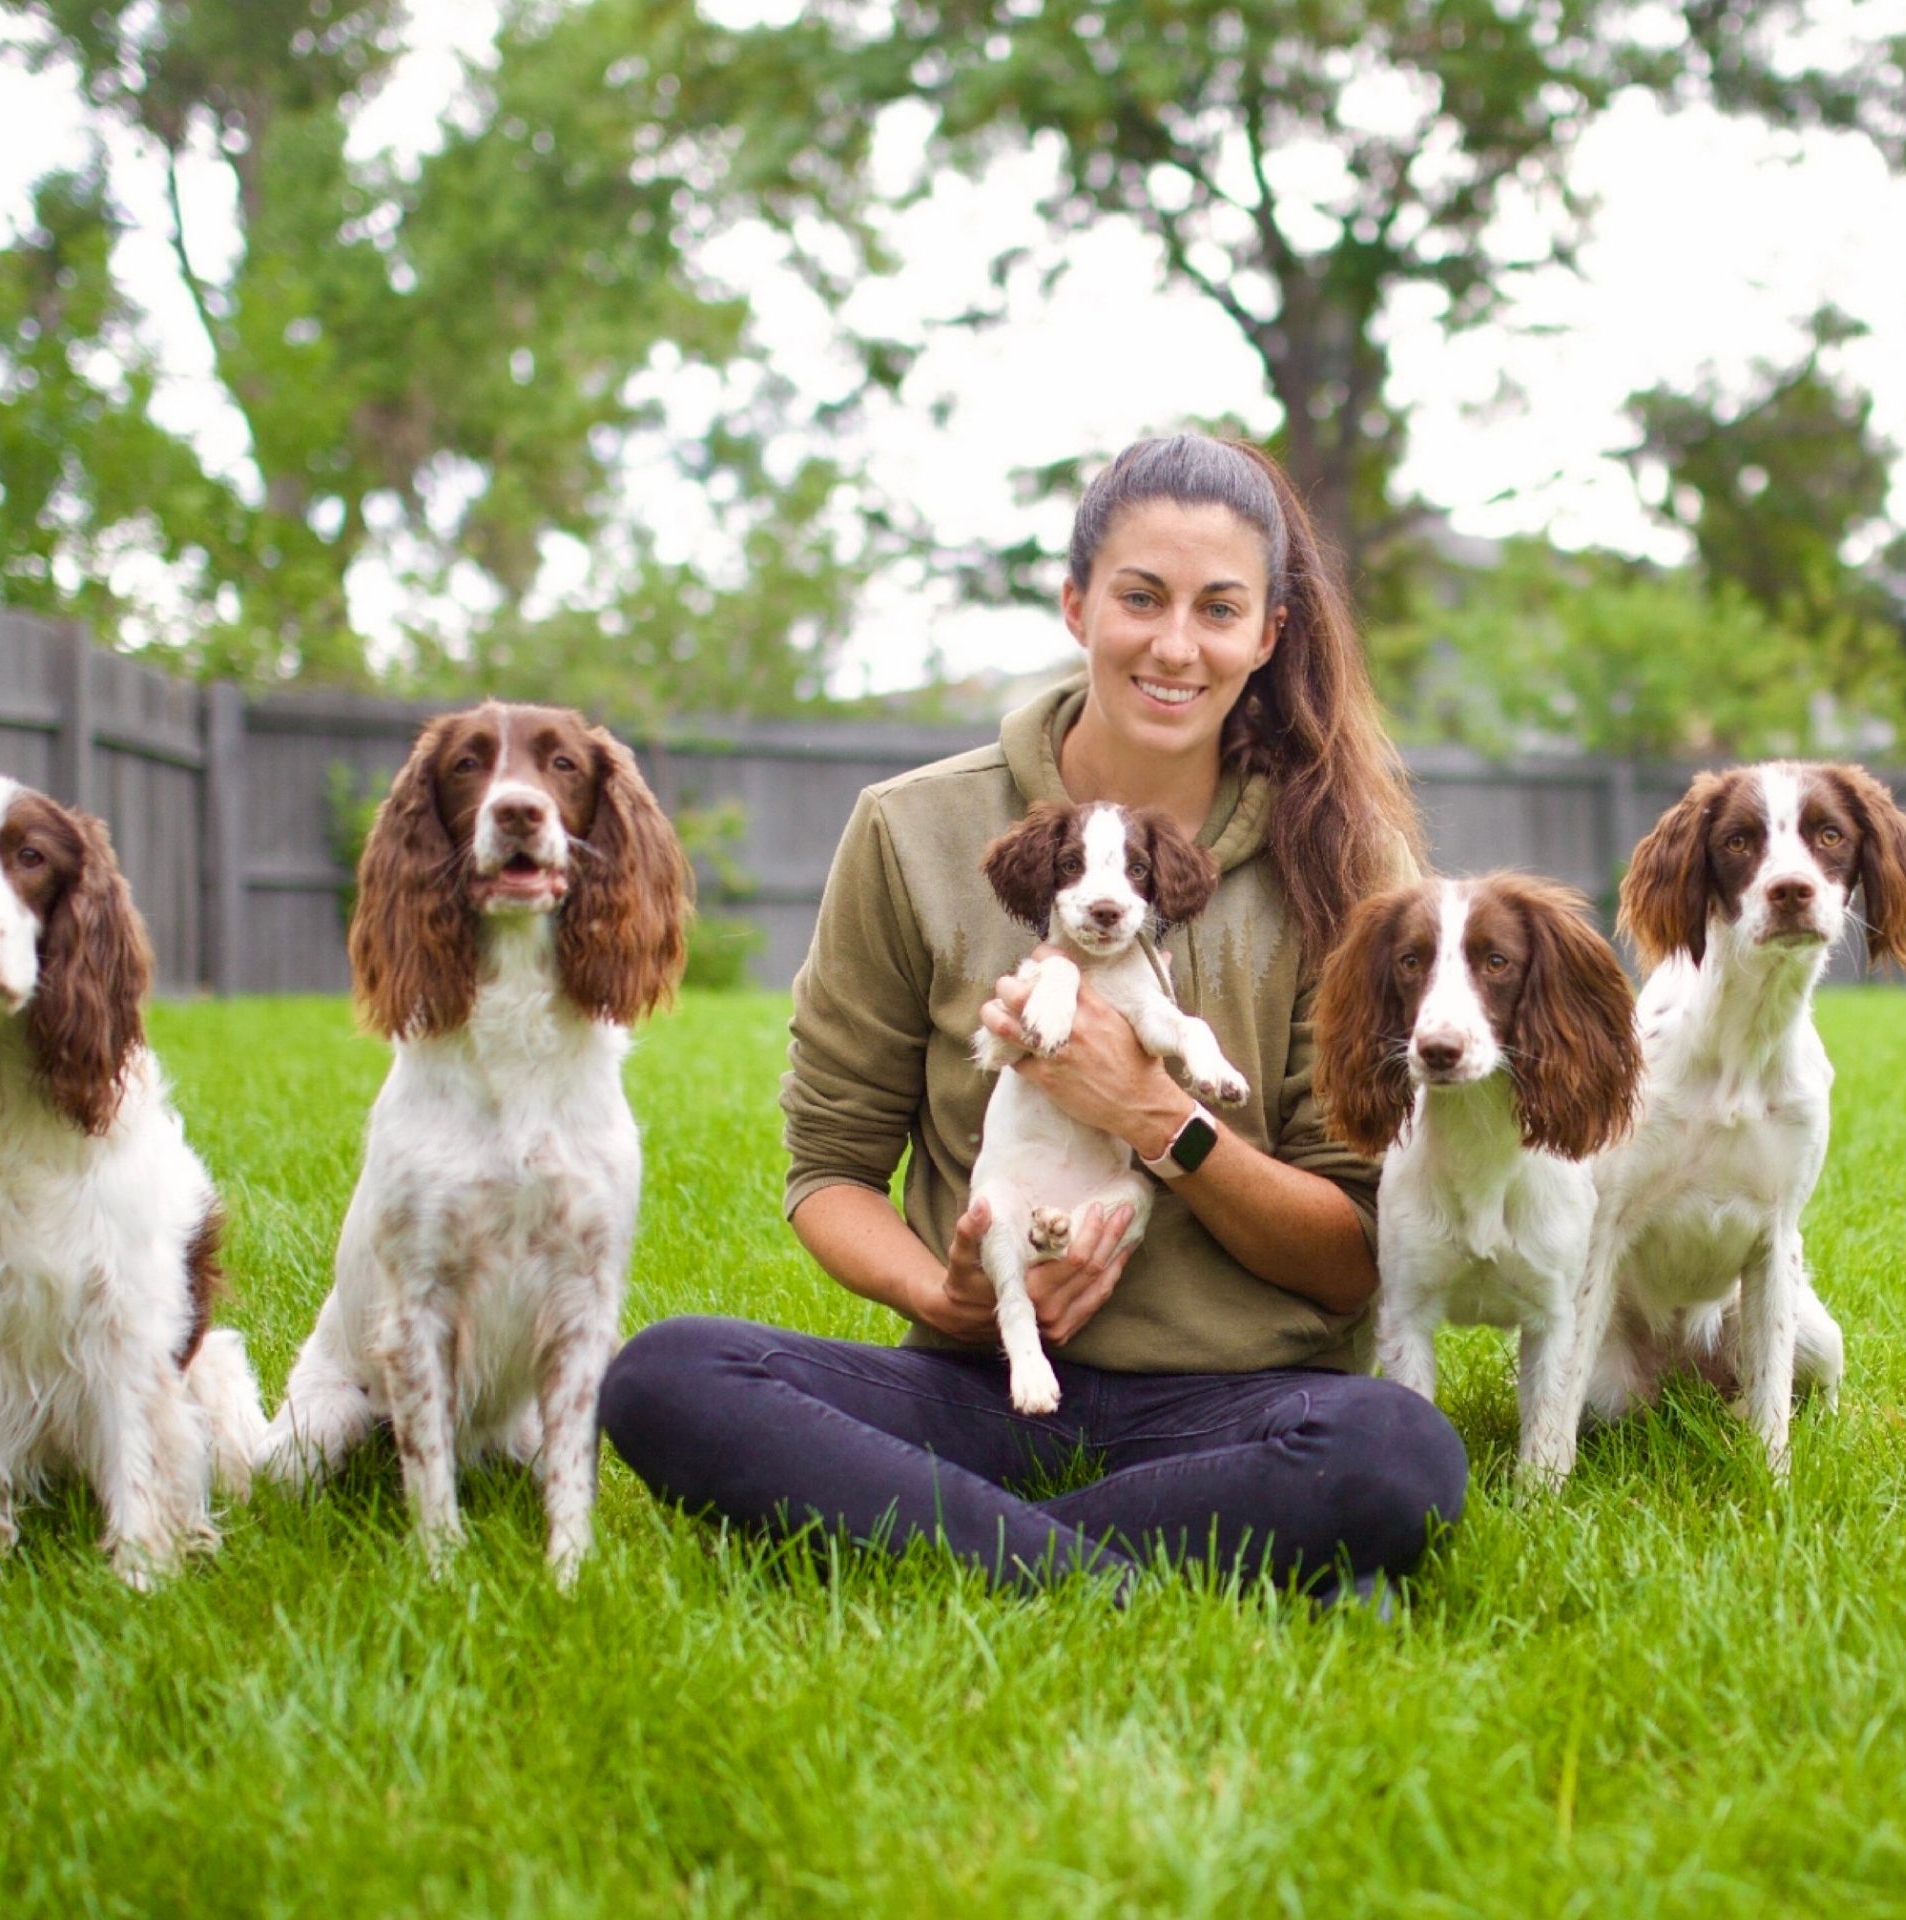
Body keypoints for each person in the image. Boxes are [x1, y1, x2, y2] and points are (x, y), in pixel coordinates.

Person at [597, 433, 1468, 1605]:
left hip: (1238, 1406)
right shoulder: (913, 832)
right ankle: (1120, 1574)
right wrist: (940, 1297)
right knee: (665, 1377)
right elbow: (829, 1174)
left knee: (1397, 1457)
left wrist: (1157, 1114)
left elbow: (1353, 1255)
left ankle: (943, 1541)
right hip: (984, 1382)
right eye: (1140, 599)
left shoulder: (1353, 864)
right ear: (1075, 605)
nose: (1174, 645)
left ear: (1267, 637)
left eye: (1218, 610)